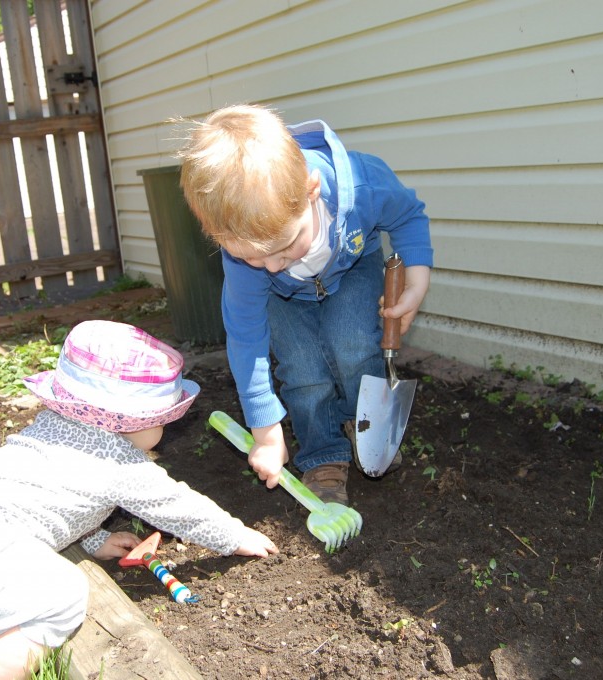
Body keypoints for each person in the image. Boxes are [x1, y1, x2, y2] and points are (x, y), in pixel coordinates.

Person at [0, 320, 278, 680]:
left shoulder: (48, 427)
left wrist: (92, 540)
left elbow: (50, 501)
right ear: (133, 422)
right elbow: (177, 506)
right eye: (161, 420)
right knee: (63, 593)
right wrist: (234, 535)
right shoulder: (118, 461)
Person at [179, 104, 433, 504]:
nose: (272, 265)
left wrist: (416, 283)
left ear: (311, 190)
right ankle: (323, 455)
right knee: (302, 370)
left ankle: (362, 422)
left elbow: (408, 216)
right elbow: (246, 338)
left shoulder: (363, 184)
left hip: (350, 268)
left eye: (283, 248)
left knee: (352, 343)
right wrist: (265, 433)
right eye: (253, 257)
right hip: (285, 299)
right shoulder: (250, 261)